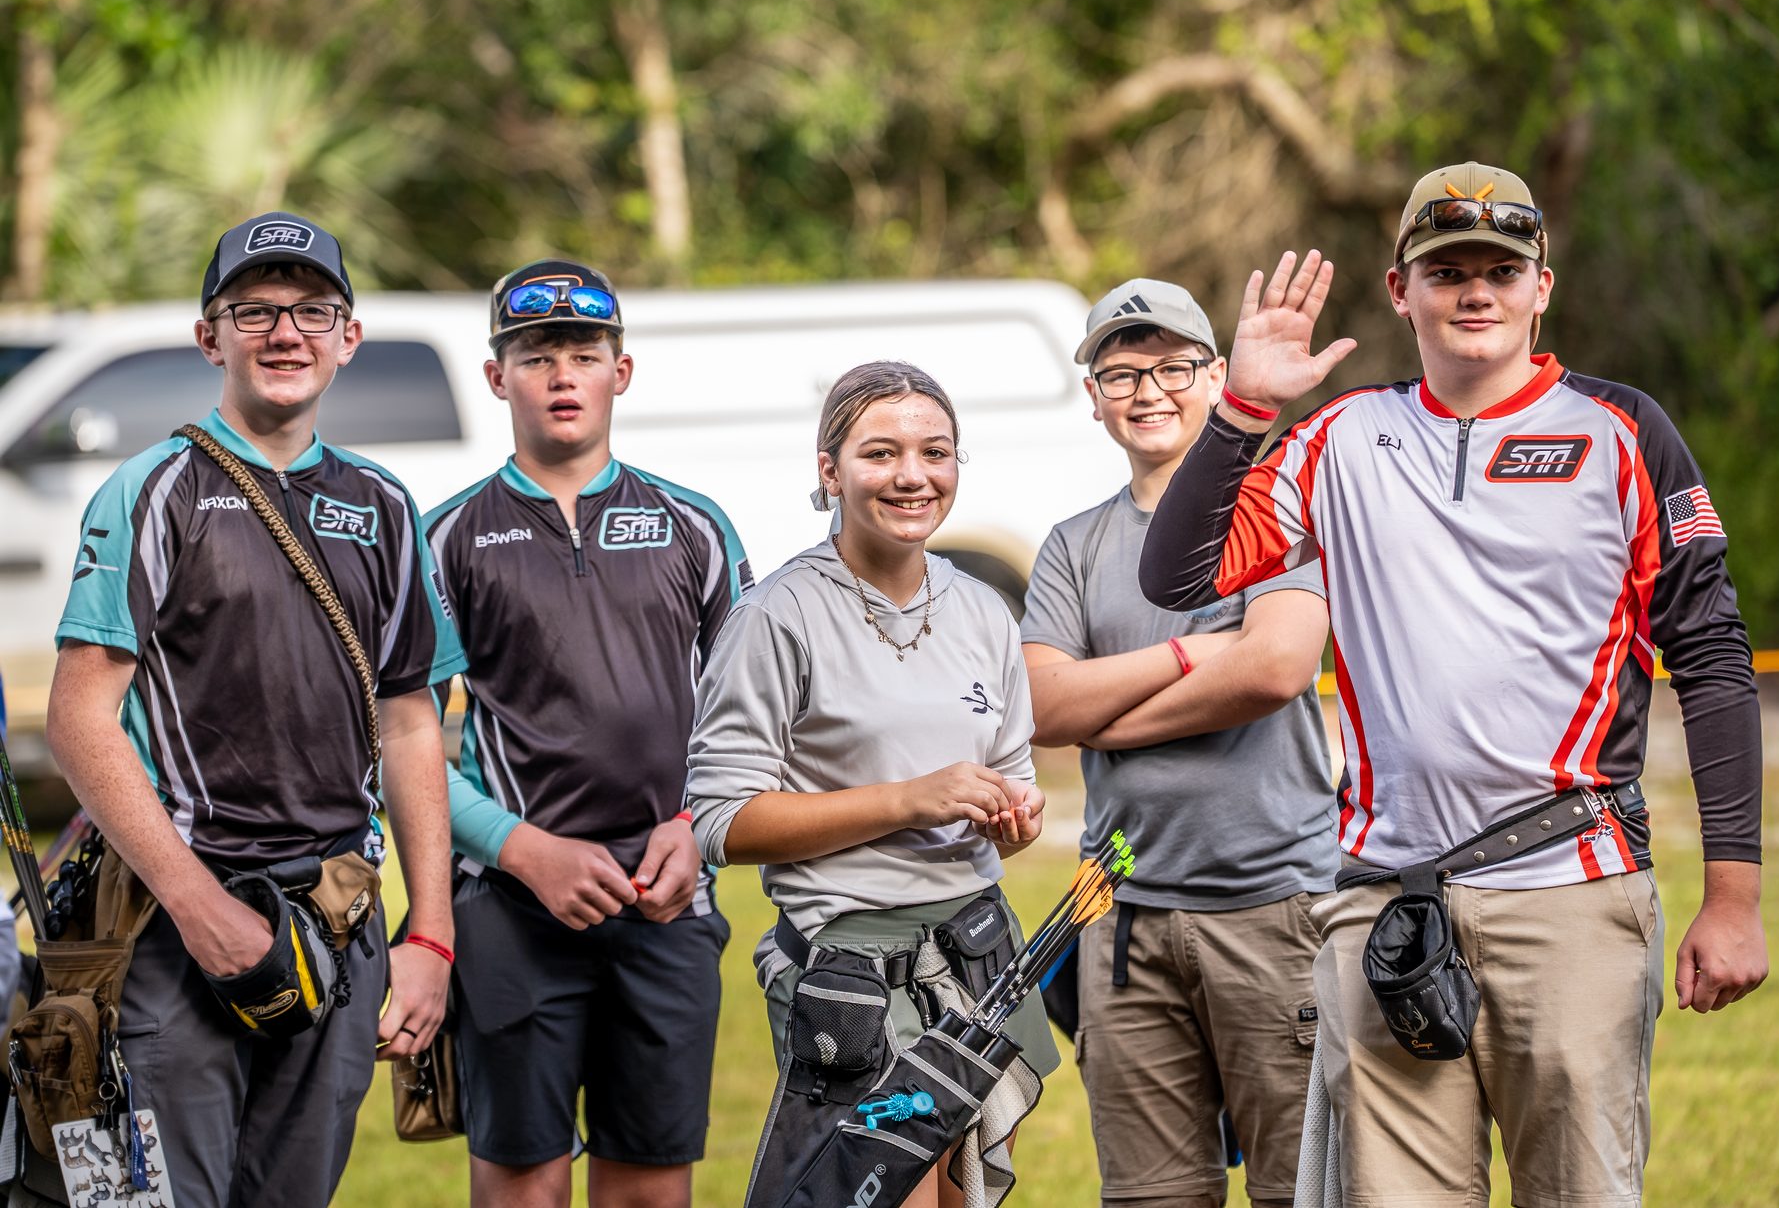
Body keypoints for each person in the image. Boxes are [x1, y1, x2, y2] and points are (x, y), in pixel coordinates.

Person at [1139, 162, 1767, 1206]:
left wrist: (1734, 898)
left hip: (1572, 889)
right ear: (1402, 291)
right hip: (1385, 899)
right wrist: (1243, 407)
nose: (1476, 291)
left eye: (1500, 270)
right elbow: (1177, 575)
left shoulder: (1622, 431)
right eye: (1447, 271)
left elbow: (1710, 654)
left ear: (1541, 288)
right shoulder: (1338, 439)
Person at [44, 212, 465, 1207]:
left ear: (347, 337)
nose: (285, 332)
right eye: (255, 310)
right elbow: (79, 720)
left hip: (336, 921)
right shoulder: (152, 491)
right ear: (211, 336)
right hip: (170, 932)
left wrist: (431, 938)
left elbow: (411, 722)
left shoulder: (385, 505)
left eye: (312, 311)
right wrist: (202, 912)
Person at [685, 361, 1059, 1208]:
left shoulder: (983, 611)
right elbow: (721, 822)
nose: (912, 475)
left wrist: (1015, 818)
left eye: (936, 451)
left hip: (973, 956)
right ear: (830, 470)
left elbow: (1011, 784)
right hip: (853, 979)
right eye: (880, 452)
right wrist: (908, 799)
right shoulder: (776, 615)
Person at [423, 259, 748, 1208]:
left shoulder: (693, 526)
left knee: (650, 1188)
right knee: (522, 1186)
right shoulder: (445, 538)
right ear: (498, 378)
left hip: (666, 900)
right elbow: (397, 744)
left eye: (584, 354)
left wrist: (695, 826)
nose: (562, 375)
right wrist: (522, 850)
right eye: (535, 356)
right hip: (512, 905)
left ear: (622, 371)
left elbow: (754, 717)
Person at [1021, 278, 1335, 1208]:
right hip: (1119, 917)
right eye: (1122, 374)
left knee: (1301, 1188)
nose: (1148, 390)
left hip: (1274, 907)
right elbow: (1040, 706)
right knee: (1150, 1195)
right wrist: (1192, 652)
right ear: (1094, 398)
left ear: (1216, 377)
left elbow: (1274, 668)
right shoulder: (1072, 545)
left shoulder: (1277, 512)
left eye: (1173, 367)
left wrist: (1109, 718)